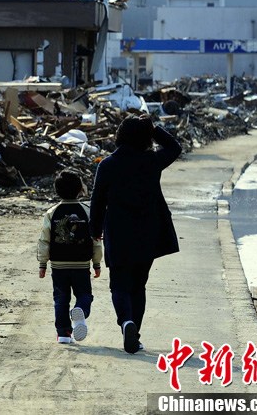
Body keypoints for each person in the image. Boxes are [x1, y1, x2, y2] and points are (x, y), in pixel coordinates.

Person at [89, 114, 182, 354]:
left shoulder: (107, 164)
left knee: (119, 284)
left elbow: (97, 200)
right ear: (145, 138)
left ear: (120, 135)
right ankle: (135, 334)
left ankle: (126, 323)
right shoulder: (151, 161)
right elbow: (175, 147)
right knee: (138, 285)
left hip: (118, 231)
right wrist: (154, 129)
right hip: (148, 230)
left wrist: (95, 230)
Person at [38, 168, 103, 344]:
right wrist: (97, 263)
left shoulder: (51, 213)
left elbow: (44, 240)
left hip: (58, 265)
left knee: (60, 299)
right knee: (85, 295)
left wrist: (42, 264)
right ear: (80, 189)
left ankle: (64, 334)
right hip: (81, 264)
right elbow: (96, 240)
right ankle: (80, 310)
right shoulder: (87, 212)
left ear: (56, 190)